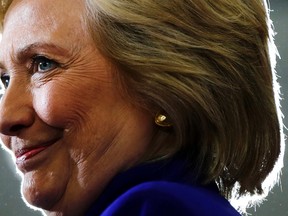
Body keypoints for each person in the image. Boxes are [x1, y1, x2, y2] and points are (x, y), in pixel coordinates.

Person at [0, 0, 284, 215]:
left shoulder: (153, 207)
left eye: (43, 64)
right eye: (5, 80)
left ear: (163, 86)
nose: (5, 117)